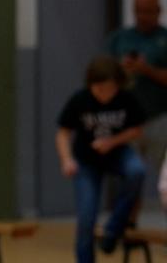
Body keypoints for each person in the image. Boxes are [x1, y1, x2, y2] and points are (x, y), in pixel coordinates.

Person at [56, 55, 145, 263]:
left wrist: (112, 142)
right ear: (90, 85)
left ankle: (114, 226)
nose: (104, 95)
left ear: (118, 85)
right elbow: (62, 133)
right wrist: (66, 159)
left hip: (117, 153)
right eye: (99, 89)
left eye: (109, 89)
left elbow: (137, 130)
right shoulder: (80, 100)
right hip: (86, 159)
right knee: (86, 217)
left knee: (137, 171)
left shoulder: (126, 98)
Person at [105, 0, 167, 197]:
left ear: (159, 10)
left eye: (148, 11)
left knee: (164, 179)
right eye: (139, 11)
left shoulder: (164, 39)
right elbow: (104, 77)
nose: (143, 17)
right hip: (127, 120)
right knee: (131, 174)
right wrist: (122, 72)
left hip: (159, 117)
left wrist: (146, 69)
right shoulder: (120, 38)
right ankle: (128, 221)